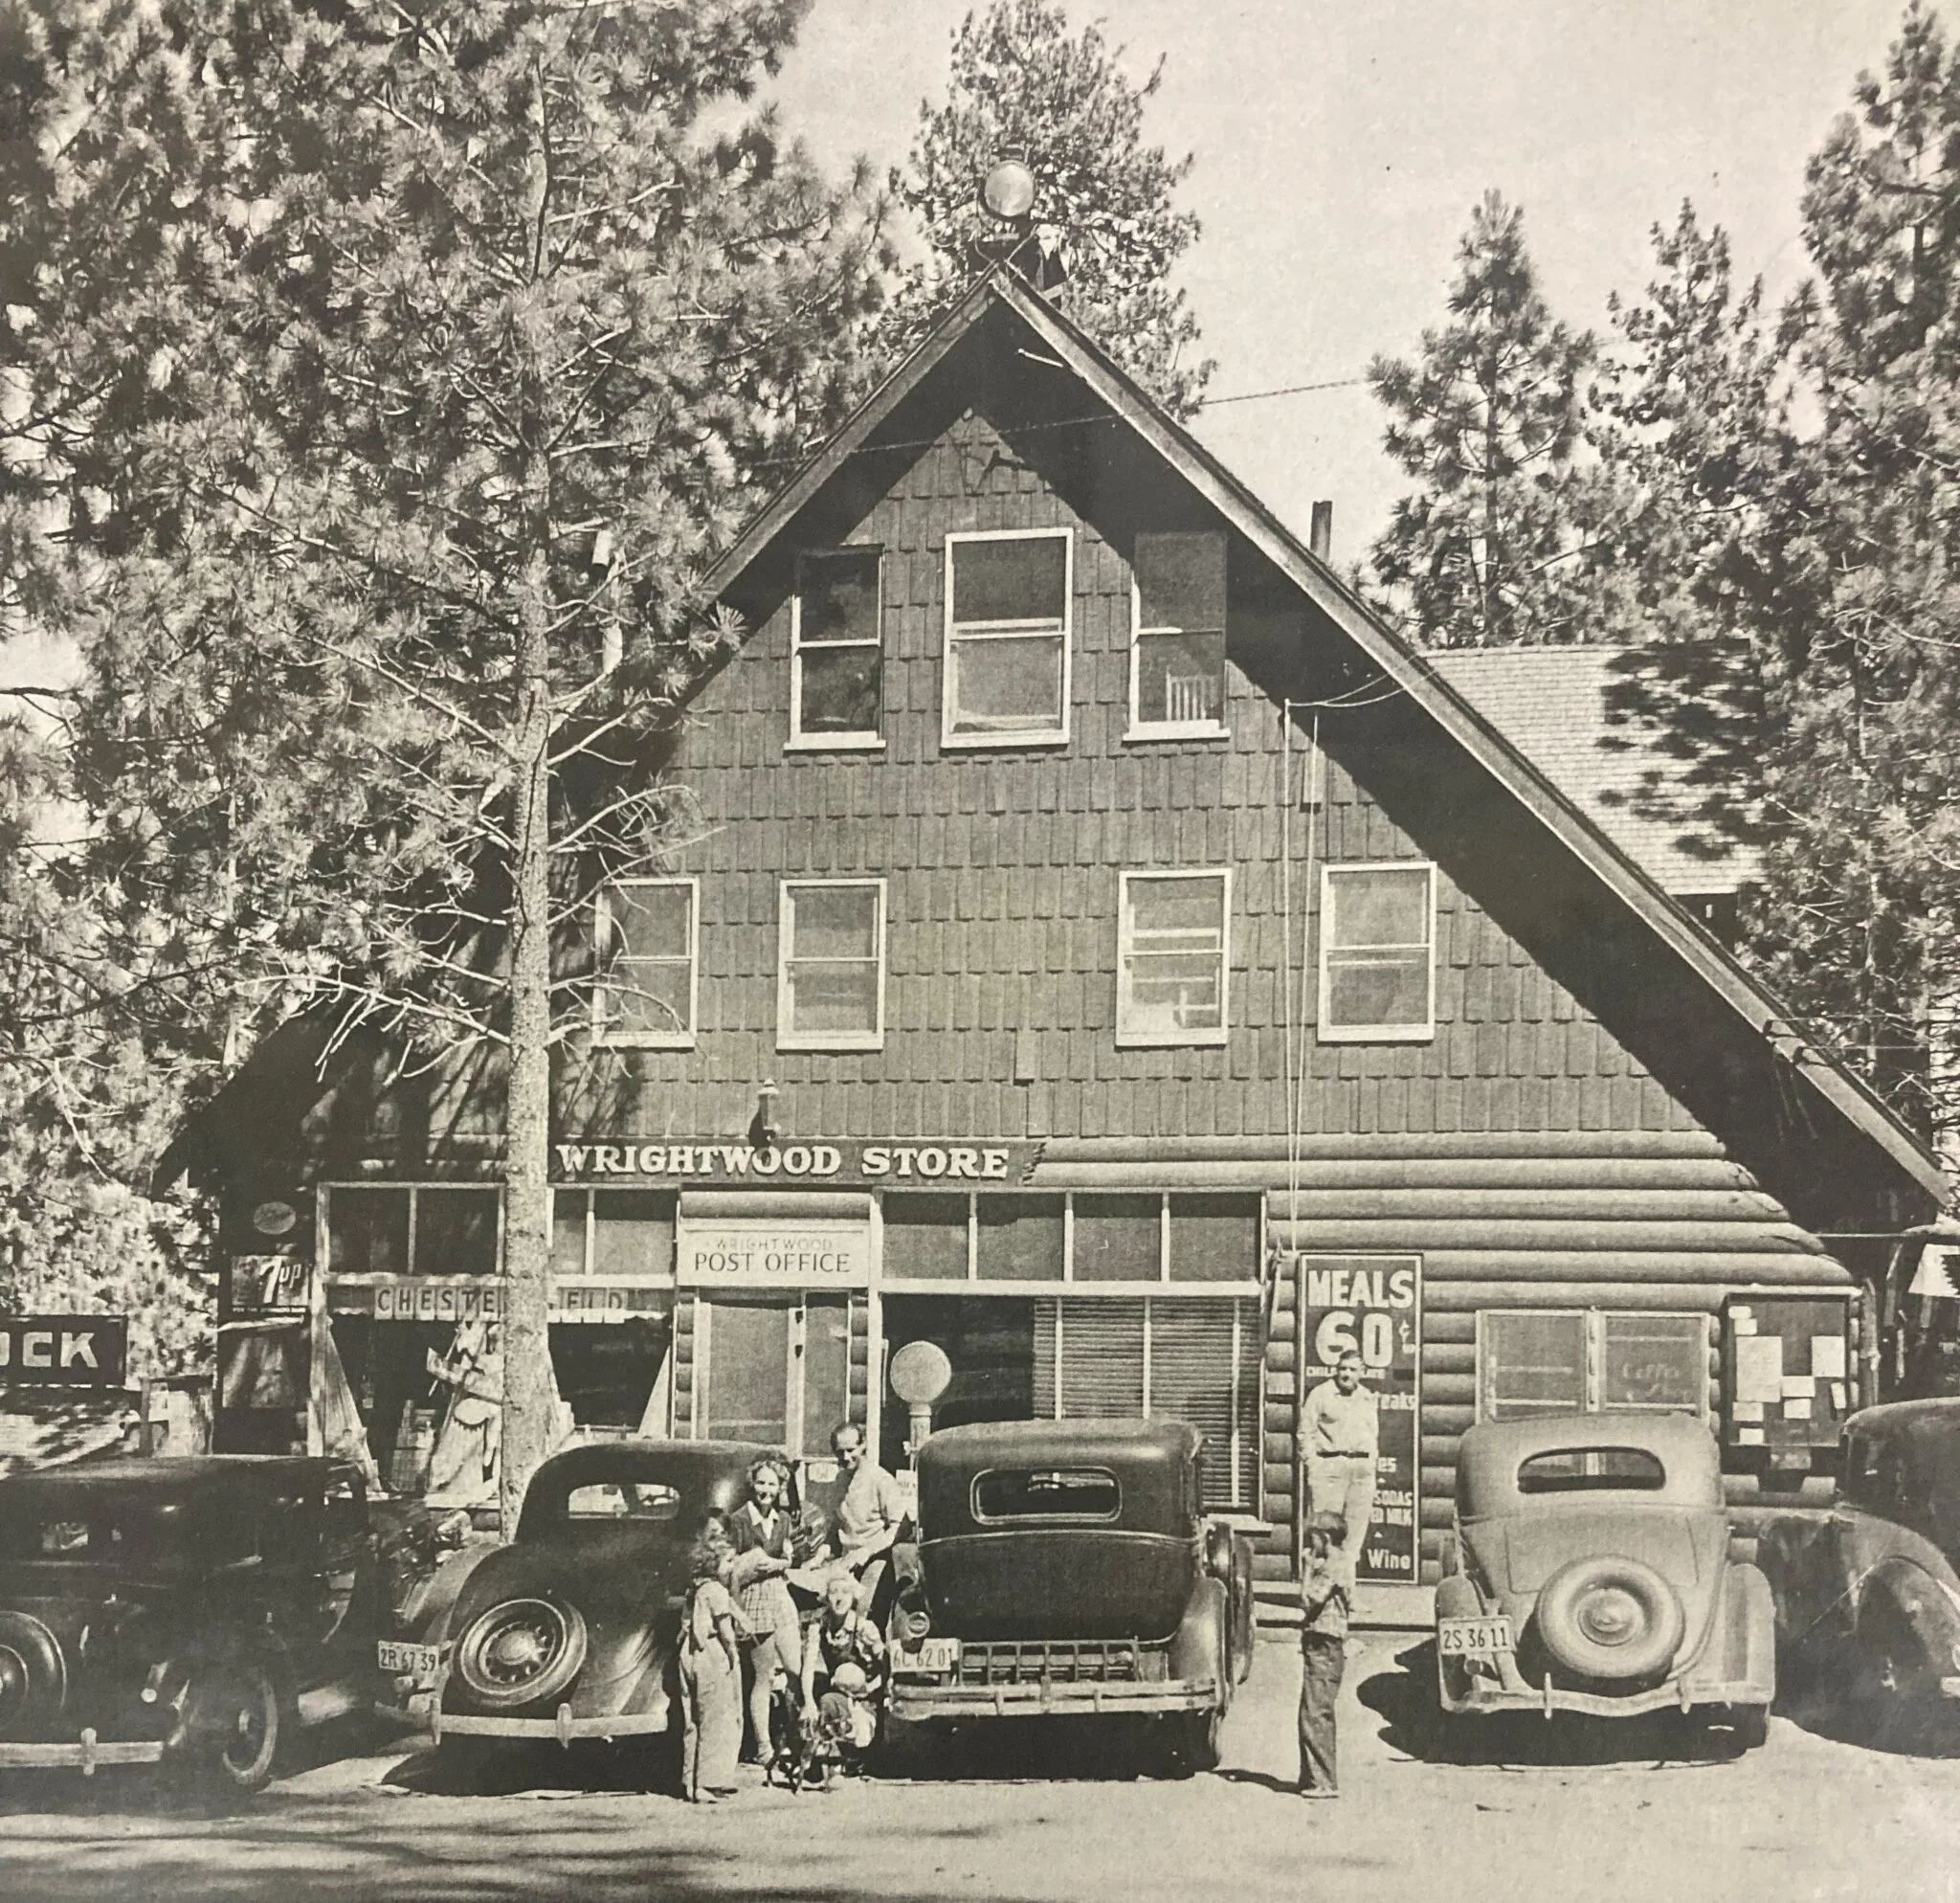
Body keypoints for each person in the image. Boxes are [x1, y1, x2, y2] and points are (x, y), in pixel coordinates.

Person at [727, 1455, 802, 1768]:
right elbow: (730, 1569)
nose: (766, 1490)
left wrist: (777, 1564)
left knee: (796, 1671)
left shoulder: (784, 1519)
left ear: (780, 1486)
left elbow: (790, 1557)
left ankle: (797, 1740)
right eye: (761, 1483)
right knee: (764, 1677)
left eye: (772, 1483)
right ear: (752, 1485)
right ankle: (763, 1747)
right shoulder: (739, 1520)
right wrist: (753, 1567)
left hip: (780, 1595)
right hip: (754, 1598)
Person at [679, 1518, 745, 1803]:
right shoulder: (717, 1591)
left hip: (688, 1654)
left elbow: (685, 1624)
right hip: (711, 1655)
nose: (731, 1567)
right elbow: (727, 1633)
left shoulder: (694, 1589)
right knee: (715, 1719)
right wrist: (733, 1655)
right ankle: (708, 1782)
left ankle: (689, 1781)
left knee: (692, 1720)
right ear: (713, 1564)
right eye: (728, 1561)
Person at [1303, 1350, 1378, 1577]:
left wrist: (1370, 1463)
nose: (1346, 1374)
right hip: (1330, 1468)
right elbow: (1305, 1432)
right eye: (1342, 1368)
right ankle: (1316, 1595)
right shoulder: (1321, 1394)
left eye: (1352, 1369)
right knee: (1324, 1534)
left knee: (1354, 1535)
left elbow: (1372, 1434)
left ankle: (1348, 1596)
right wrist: (1314, 1465)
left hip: (1361, 1471)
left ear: (1362, 1373)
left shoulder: (1367, 1397)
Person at [1297, 1510, 1349, 1799]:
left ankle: (1323, 1782)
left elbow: (1308, 1600)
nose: (1309, 1543)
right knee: (1312, 1710)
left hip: (1324, 1643)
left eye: (1312, 1537)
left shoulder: (1333, 1565)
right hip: (1323, 1643)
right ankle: (1311, 1778)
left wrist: (1306, 1569)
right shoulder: (1338, 1562)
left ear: (1325, 1538)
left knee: (1316, 1713)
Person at [829, 1421, 907, 1614]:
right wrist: (823, 1552)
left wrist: (867, 1551)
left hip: (874, 1562)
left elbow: (899, 1527)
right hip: (847, 1561)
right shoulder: (840, 1480)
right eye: (840, 1452)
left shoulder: (881, 1479)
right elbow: (837, 1525)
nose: (845, 1457)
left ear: (863, 1445)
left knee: (863, 1618)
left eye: (850, 1450)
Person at [801, 1569, 886, 1715]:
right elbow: (808, 1667)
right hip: (838, 1692)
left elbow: (886, 1662)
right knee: (826, 1703)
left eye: (846, 1592)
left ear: (853, 1598)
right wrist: (808, 1702)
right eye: (834, 1592)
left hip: (866, 1697)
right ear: (826, 1598)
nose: (839, 1598)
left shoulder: (864, 1627)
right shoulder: (819, 1627)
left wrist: (872, 1688)